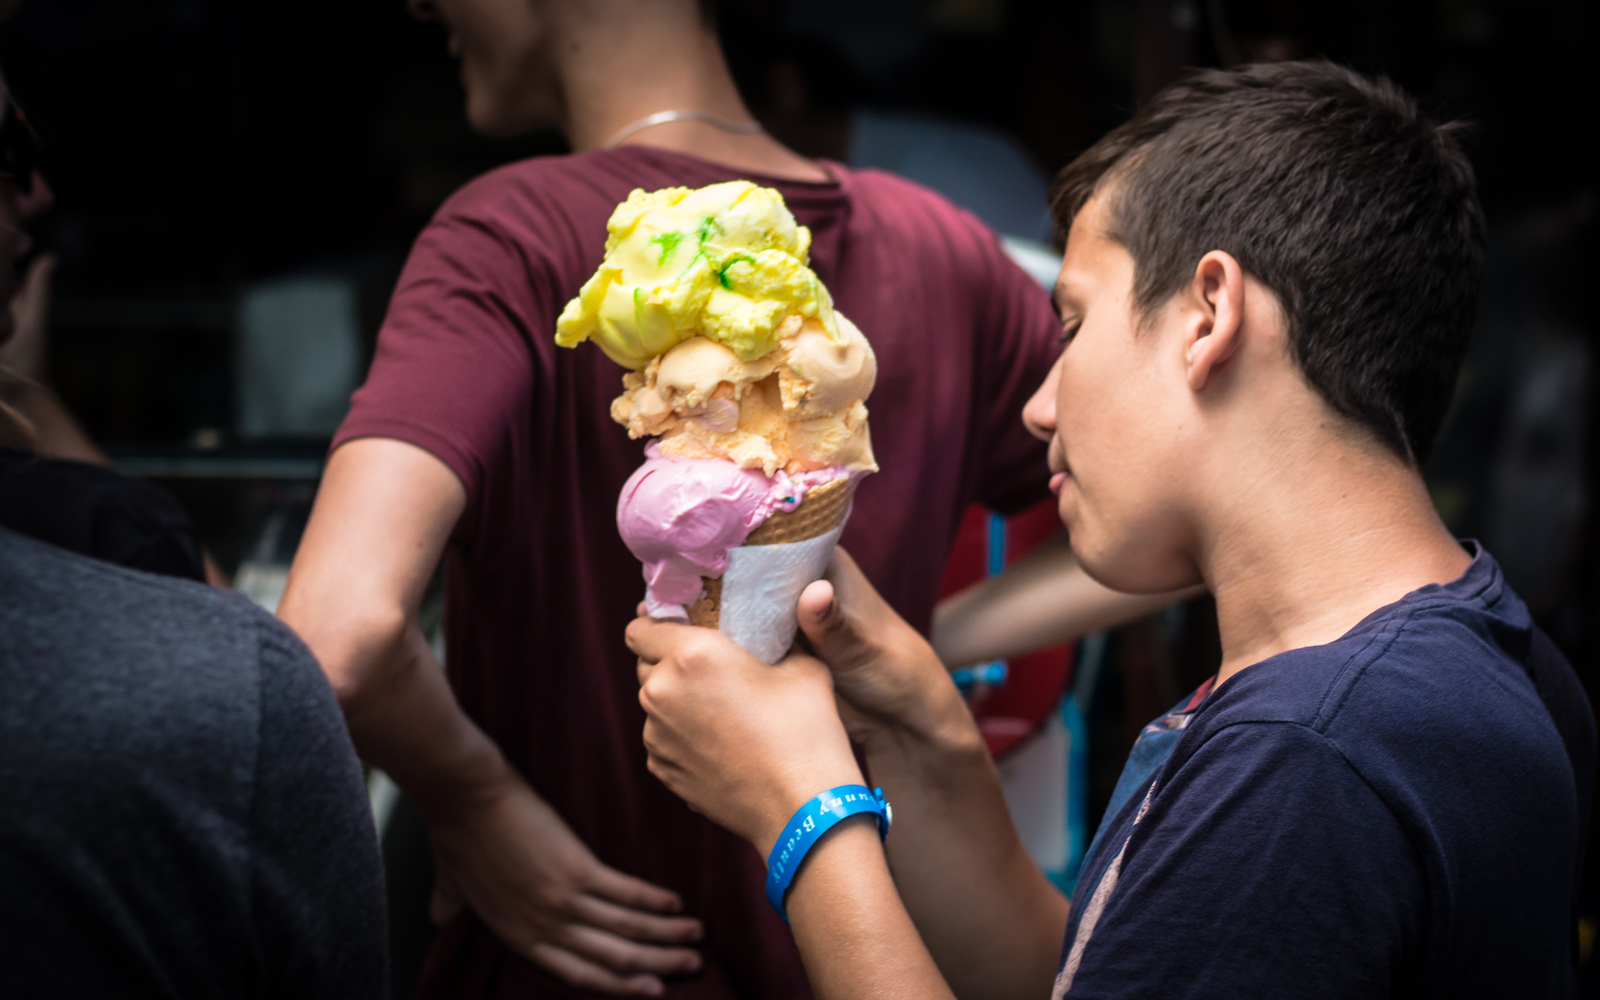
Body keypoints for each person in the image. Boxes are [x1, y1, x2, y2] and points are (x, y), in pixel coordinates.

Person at [629, 61, 1596, 997]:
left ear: (1209, 313)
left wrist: (804, 817)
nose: (1040, 408)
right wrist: (923, 736)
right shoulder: (1483, 658)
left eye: (1072, 326)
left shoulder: (1304, 756)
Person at [277, 0, 1175, 996]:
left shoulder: (508, 235)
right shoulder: (942, 249)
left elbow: (339, 634)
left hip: (579, 958)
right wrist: (920, 643)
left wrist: (476, 803)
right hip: (858, 949)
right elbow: (1189, 516)